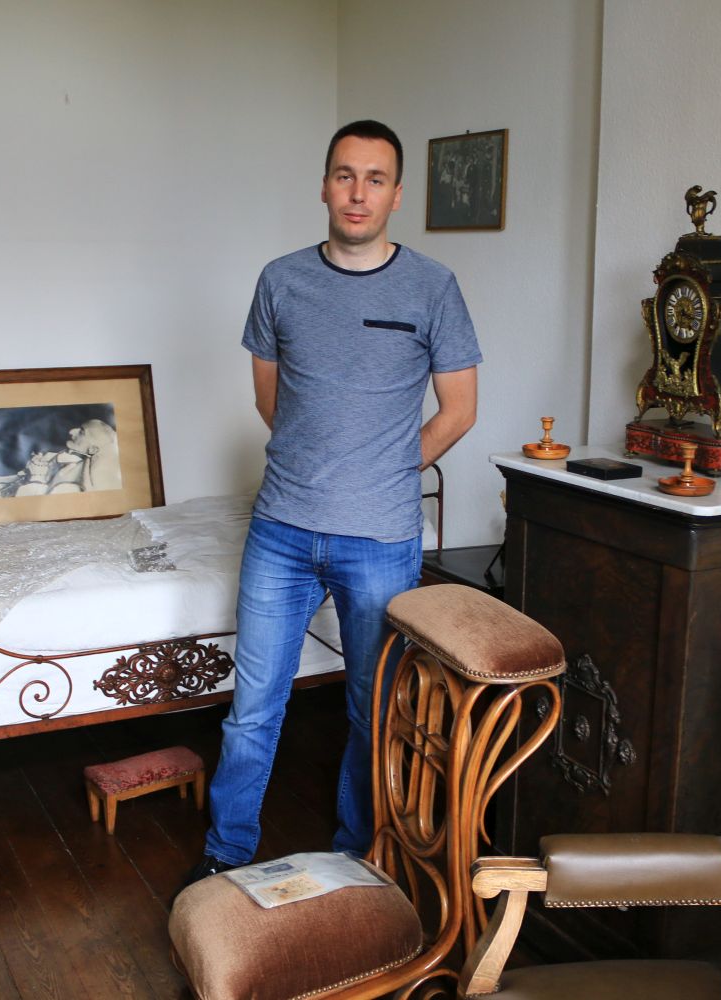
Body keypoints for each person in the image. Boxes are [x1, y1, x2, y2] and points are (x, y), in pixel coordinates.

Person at [186, 120, 481, 885]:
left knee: (370, 709)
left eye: (375, 179)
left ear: (396, 194)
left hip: (379, 540)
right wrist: (317, 461)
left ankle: (355, 857)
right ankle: (225, 855)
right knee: (253, 710)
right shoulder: (281, 280)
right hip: (280, 531)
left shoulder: (433, 287)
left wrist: (387, 467)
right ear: (324, 185)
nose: (358, 192)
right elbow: (270, 398)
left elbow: (458, 410)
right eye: (345, 175)